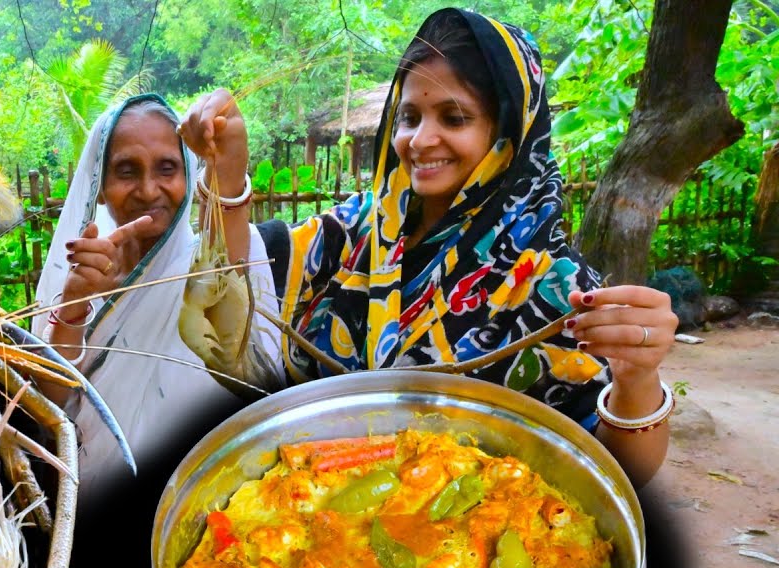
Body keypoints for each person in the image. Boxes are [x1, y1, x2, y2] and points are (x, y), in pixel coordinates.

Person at [178, 8, 677, 488]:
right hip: (296, 517)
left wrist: (637, 377)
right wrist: (228, 170)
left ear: (507, 133)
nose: (420, 139)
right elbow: (238, 290)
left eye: (454, 118)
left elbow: (620, 474)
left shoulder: (553, 288)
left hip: (469, 554)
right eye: (410, 116)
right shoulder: (352, 235)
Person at [32, 94, 280, 507]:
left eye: (168, 168)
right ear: (99, 186)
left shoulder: (206, 266)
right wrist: (75, 302)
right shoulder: (76, 279)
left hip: (205, 505)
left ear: (188, 174)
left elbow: (229, 290)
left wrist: (229, 165)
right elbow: (51, 406)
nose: (149, 190)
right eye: (126, 171)